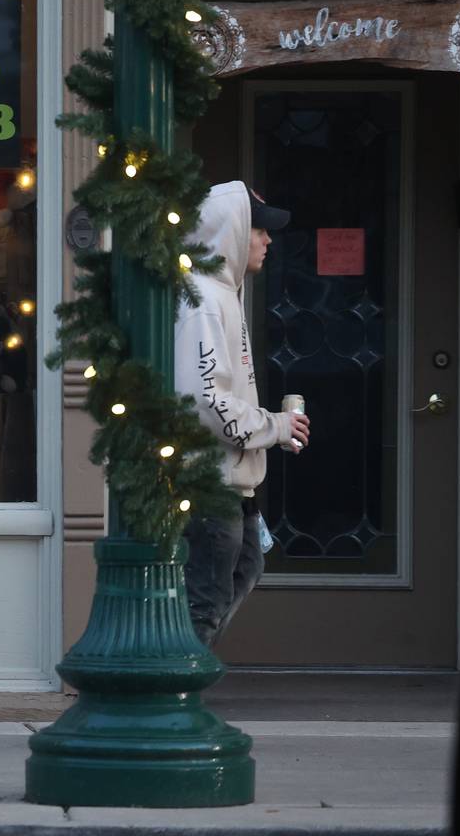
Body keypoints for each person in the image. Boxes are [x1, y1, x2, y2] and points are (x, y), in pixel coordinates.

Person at [173, 180, 312, 647]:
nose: (268, 240)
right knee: (204, 601)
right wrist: (273, 426)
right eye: (259, 230)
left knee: (245, 566)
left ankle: (183, 682)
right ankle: (174, 698)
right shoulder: (204, 302)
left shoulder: (222, 295)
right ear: (231, 232)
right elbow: (206, 400)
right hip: (208, 482)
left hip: (231, 482)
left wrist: (272, 429)